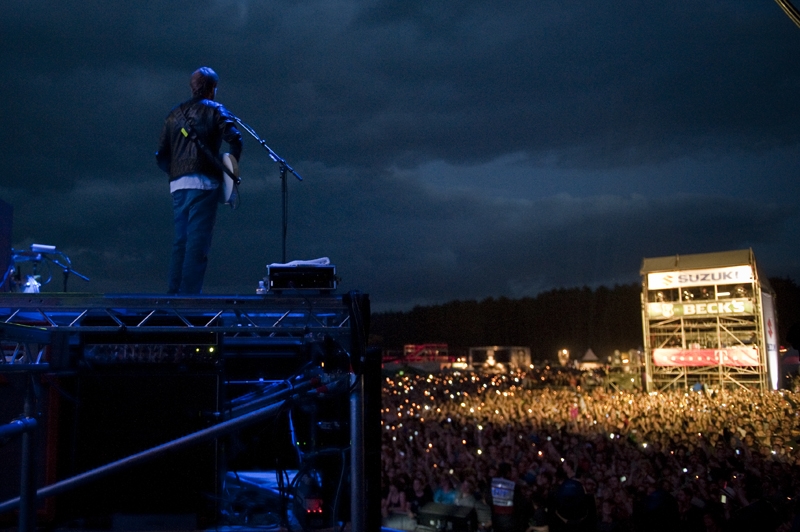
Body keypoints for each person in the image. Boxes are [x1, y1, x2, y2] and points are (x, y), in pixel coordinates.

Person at [156, 66, 243, 294]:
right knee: (197, 244)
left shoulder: (173, 114)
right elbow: (236, 139)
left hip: (178, 186)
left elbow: (161, 156)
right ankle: (189, 302)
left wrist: (176, 174)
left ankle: (172, 299)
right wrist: (230, 171)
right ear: (213, 88)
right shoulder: (215, 109)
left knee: (180, 243)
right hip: (205, 184)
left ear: (191, 87)